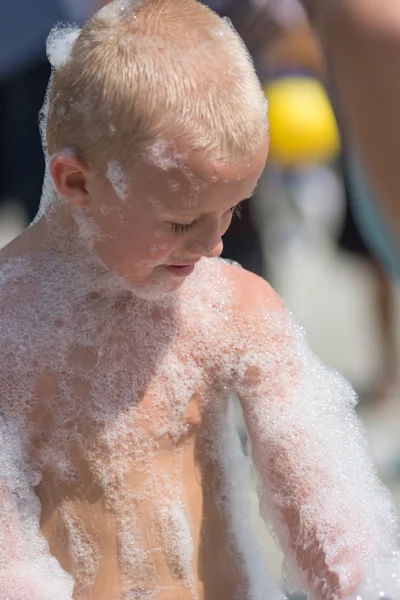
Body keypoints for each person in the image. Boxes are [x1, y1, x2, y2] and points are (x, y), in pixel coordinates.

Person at [0, 1, 399, 599]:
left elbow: (329, 528)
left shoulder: (231, 309)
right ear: (77, 183)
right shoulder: (12, 323)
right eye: (183, 221)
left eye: (232, 213)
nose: (213, 246)